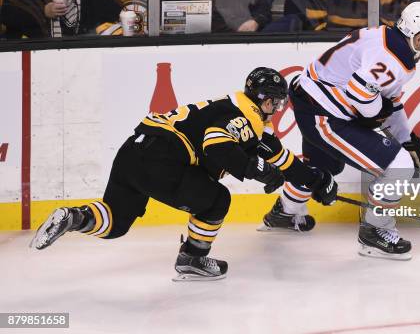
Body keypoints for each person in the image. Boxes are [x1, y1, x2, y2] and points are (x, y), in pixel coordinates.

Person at [30, 67, 338, 281]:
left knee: (115, 221)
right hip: (162, 157)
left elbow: (283, 161)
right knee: (217, 199)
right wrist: (258, 171)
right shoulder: (242, 117)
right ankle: (191, 258)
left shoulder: (240, 116)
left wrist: (318, 182)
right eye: (278, 101)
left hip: (133, 151)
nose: (279, 107)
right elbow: (217, 147)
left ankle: (74, 217)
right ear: (267, 100)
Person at [261, 2, 420, 260]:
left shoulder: (386, 38)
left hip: (312, 99)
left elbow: (388, 102)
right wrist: (375, 115)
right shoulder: (394, 57)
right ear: (418, 35)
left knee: (324, 166)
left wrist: (407, 140)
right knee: (399, 165)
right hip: (323, 113)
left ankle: (285, 211)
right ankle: (375, 232)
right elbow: (361, 93)